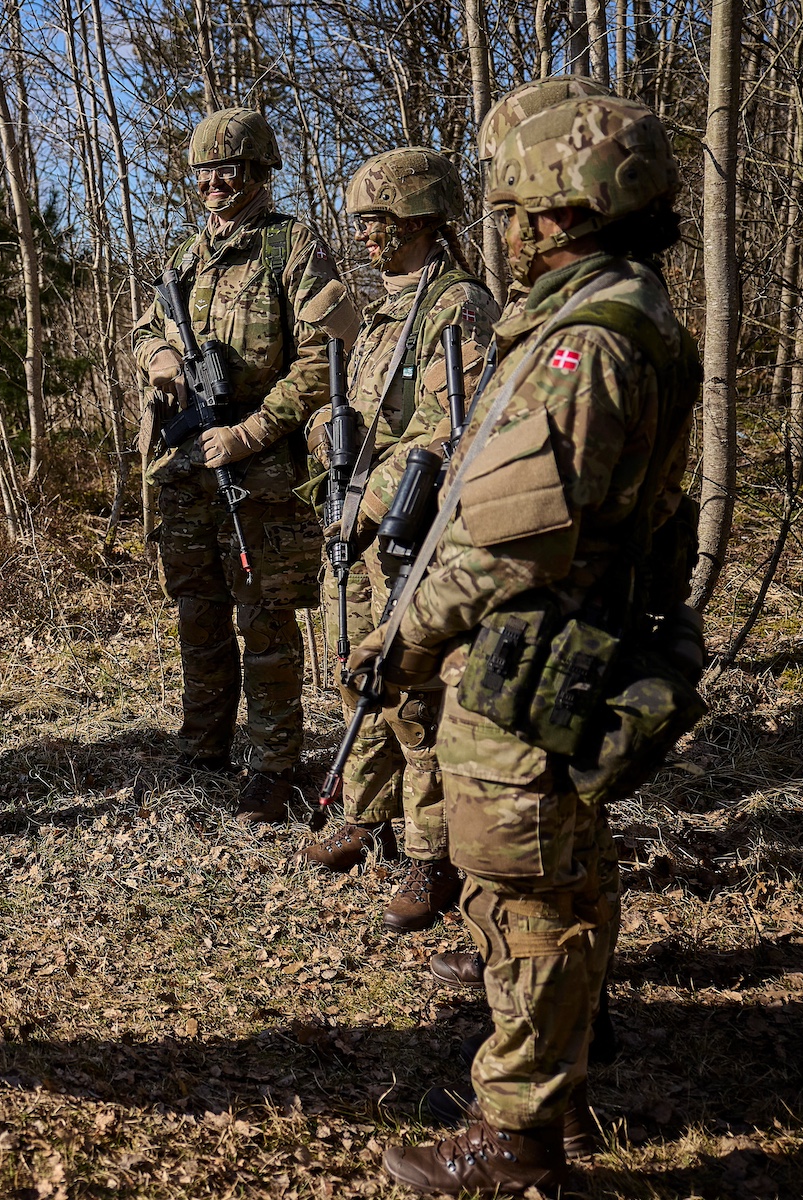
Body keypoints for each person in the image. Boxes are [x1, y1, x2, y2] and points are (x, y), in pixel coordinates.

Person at [368, 95, 696, 1194]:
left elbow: (514, 543)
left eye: (516, 210)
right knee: (561, 875)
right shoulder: (602, 314)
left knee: (525, 887)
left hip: (534, 657)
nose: (505, 230)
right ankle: (561, 1079)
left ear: (559, 214)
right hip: (549, 650)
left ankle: (516, 1136)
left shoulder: (591, 344)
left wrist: (407, 637)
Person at [131, 108, 359, 825]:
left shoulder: (292, 247)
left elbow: (325, 358)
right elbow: (143, 328)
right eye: (203, 175)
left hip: (262, 474)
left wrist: (250, 434)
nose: (215, 186)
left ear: (260, 172)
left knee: (265, 622)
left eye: (228, 172)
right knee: (197, 611)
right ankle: (205, 744)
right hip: (187, 465)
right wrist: (161, 358)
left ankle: (275, 763)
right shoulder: (184, 258)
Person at [297, 149, 500, 933]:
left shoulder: (460, 307)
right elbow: (346, 405)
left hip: (410, 527)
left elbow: (461, 432)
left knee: (412, 692)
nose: (367, 236)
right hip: (354, 524)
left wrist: (376, 493)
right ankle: (367, 812)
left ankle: (433, 852)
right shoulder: (377, 312)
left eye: (378, 221)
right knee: (358, 676)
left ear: (419, 218)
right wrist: (327, 431)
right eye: (363, 223)